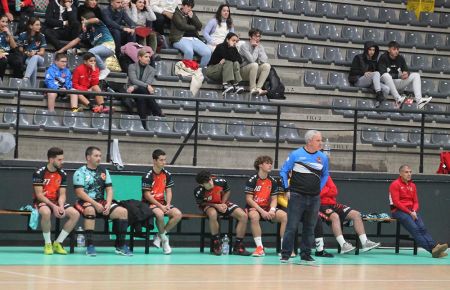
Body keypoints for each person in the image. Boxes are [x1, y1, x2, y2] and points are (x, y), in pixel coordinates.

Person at [279, 129, 329, 264]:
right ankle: (286, 254)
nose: (321, 143)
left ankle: (306, 254)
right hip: (297, 196)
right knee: (292, 226)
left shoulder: (322, 157)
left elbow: (325, 174)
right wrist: (286, 188)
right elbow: (283, 171)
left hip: (314, 198)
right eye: (318, 140)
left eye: (321, 140)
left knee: (310, 227)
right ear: (309, 141)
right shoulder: (296, 154)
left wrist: (319, 188)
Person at [73, 146, 132, 256]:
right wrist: (95, 204)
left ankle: (120, 245)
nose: (99, 158)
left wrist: (108, 204)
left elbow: (109, 189)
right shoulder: (80, 172)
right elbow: (79, 192)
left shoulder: (104, 171)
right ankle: (90, 246)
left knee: (123, 212)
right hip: (83, 202)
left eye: (100, 156)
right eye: (96, 156)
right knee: (90, 209)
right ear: (88, 157)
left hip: (101, 201)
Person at [389, 164, 448, 258]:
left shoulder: (413, 185)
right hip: (398, 211)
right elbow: (396, 203)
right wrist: (410, 212)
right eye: (406, 172)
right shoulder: (395, 184)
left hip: (411, 211)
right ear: (400, 173)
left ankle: (435, 249)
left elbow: (416, 202)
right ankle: (433, 249)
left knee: (422, 228)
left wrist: (414, 211)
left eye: (410, 172)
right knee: (415, 229)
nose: (409, 174)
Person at [33, 147, 80, 255]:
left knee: (75, 214)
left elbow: (62, 194)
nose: (61, 162)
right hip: (42, 200)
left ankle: (58, 243)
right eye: (59, 160)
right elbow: (39, 195)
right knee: (46, 212)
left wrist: (61, 206)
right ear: (51, 159)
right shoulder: (39, 172)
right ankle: (48, 243)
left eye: (62, 159)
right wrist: (53, 207)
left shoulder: (62, 174)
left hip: (56, 201)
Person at [194, 170, 251, 256]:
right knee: (213, 214)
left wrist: (223, 203)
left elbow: (227, 191)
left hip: (222, 203)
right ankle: (216, 243)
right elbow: (201, 203)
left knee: (243, 216)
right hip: (209, 205)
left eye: (210, 180)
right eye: (207, 183)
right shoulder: (198, 191)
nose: (210, 183)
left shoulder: (220, 182)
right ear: (202, 184)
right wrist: (216, 206)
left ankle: (238, 246)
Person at [319, 176, 381, 254]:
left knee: (356, 214)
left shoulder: (326, 176)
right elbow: (316, 193)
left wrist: (323, 190)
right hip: (319, 204)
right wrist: (327, 190)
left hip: (333, 204)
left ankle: (365, 242)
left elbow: (334, 190)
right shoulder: (312, 176)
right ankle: (343, 245)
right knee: (335, 217)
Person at [141, 149, 182, 255]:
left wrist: (168, 204)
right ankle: (165, 240)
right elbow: (147, 195)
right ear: (154, 161)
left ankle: (159, 236)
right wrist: (160, 206)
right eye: (161, 160)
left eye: (165, 160)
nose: (164, 162)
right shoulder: (148, 175)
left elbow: (168, 191)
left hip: (162, 203)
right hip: (148, 203)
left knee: (177, 214)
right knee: (159, 214)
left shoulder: (167, 174)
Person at [245, 155, 287, 257]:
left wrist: (272, 210)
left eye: (271, 163)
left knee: (284, 216)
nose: (270, 165)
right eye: (267, 163)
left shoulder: (272, 181)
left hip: (267, 208)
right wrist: (262, 211)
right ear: (260, 165)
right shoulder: (252, 180)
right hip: (255, 207)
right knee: (254, 217)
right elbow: (249, 199)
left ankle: (283, 249)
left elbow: (274, 199)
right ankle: (260, 248)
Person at [57, 11, 115, 80]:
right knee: (93, 69)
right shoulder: (87, 32)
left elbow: (96, 19)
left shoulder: (98, 25)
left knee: (91, 52)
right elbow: (75, 41)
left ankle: (104, 69)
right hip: (100, 53)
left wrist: (85, 22)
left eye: (82, 20)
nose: (81, 22)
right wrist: (62, 50)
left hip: (108, 46)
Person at [378, 41, 432, 109]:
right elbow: (382, 73)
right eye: (394, 49)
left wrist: (406, 74)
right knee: (386, 75)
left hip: (396, 83)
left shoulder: (400, 58)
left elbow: (406, 70)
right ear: (389, 50)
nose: (396, 51)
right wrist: (399, 76)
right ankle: (398, 98)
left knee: (416, 75)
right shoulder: (383, 57)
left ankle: (419, 101)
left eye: (397, 49)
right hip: (385, 84)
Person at [127, 49, 163, 128]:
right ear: (139, 57)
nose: (148, 59)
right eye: (146, 57)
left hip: (139, 91)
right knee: (143, 90)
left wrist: (135, 86)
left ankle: (143, 124)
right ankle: (157, 111)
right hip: (132, 91)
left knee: (141, 99)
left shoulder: (152, 70)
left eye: (149, 57)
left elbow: (147, 82)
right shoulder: (132, 66)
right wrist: (146, 86)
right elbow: (134, 80)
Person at [169, 0, 211, 67]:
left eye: (191, 7)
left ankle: (200, 71)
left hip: (194, 39)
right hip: (180, 38)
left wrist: (193, 17)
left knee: (208, 52)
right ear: (182, 5)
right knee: (189, 51)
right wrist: (194, 28)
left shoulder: (192, 14)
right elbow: (182, 26)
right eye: (188, 6)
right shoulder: (176, 14)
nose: (189, 9)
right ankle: (187, 72)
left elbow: (199, 26)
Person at [348, 41, 389, 108]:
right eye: (370, 49)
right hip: (358, 80)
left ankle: (379, 105)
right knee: (376, 73)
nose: (372, 52)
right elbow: (353, 71)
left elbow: (378, 73)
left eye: (373, 50)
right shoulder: (358, 57)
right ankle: (378, 92)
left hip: (370, 82)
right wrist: (363, 72)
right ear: (366, 49)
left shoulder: (374, 61)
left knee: (386, 89)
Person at [238, 28, 270, 96]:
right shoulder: (244, 46)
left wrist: (258, 48)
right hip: (242, 72)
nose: (257, 38)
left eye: (259, 36)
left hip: (253, 71)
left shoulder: (260, 47)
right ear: (250, 37)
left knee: (267, 66)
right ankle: (252, 89)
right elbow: (251, 60)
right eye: (255, 36)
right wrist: (256, 48)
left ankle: (258, 88)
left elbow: (264, 60)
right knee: (254, 64)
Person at [17, 18, 46, 88]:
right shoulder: (23, 35)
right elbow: (20, 48)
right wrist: (26, 52)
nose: (39, 26)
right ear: (30, 26)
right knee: (34, 67)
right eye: (37, 25)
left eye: (39, 25)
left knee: (35, 57)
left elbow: (42, 52)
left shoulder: (41, 36)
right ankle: (32, 89)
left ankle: (26, 77)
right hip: (28, 58)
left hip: (40, 59)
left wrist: (35, 53)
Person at [0, 14, 23, 80]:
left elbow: (14, 46)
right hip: (0, 55)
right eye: (3, 21)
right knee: (3, 61)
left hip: (7, 53)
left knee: (17, 61)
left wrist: (9, 34)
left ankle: (16, 84)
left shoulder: (7, 32)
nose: (5, 24)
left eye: (6, 22)